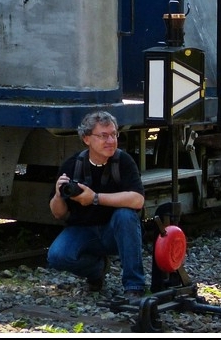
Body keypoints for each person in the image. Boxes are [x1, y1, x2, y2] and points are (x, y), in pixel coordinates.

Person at [47, 110, 147, 302]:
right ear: (86, 139)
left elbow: (137, 200)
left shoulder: (123, 161)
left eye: (114, 134)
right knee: (57, 256)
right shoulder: (72, 165)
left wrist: (95, 198)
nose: (111, 141)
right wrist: (59, 195)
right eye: (103, 136)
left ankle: (134, 287)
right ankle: (96, 270)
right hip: (84, 230)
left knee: (126, 215)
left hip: (115, 231)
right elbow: (58, 214)